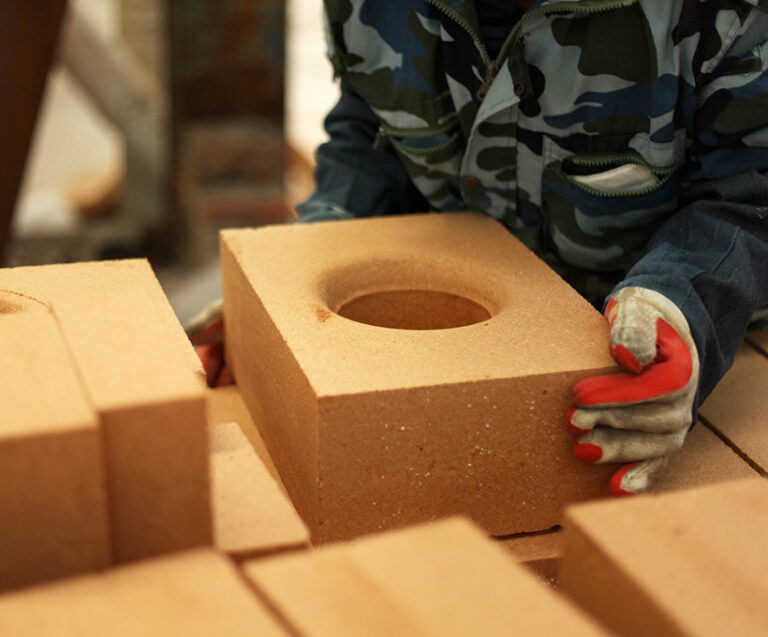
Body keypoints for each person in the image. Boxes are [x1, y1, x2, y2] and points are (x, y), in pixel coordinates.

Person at [193, 0, 768, 496]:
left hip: (664, 339)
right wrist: (287, 285)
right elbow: (372, 133)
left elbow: (750, 188)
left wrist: (689, 303)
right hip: (456, 337)